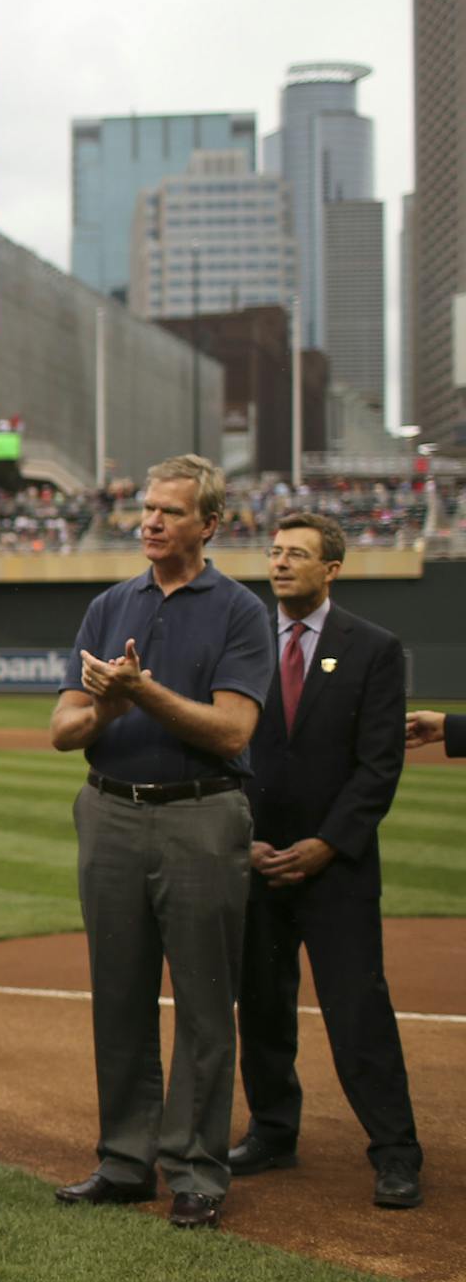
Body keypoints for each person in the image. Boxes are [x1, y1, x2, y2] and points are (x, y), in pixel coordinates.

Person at [48, 453, 270, 1231]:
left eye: (169, 512)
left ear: (209, 524)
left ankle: (197, 1168)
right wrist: (111, 710)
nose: (150, 521)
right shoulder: (112, 604)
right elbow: (62, 730)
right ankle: (125, 1159)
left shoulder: (240, 610)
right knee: (118, 994)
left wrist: (141, 692)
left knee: (206, 1001)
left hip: (201, 813)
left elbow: (234, 729)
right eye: (146, 508)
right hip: (109, 808)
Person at [232, 512, 422, 1209]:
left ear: (331, 570)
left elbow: (379, 767)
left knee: (357, 1009)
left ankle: (396, 1151)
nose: (280, 564)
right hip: (255, 860)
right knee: (261, 1007)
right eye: (276, 552)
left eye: (297, 555)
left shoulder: (372, 648)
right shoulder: (245, 640)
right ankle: (273, 1131)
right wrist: (242, 837)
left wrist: (325, 845)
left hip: (335, 867)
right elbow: (228, 748)